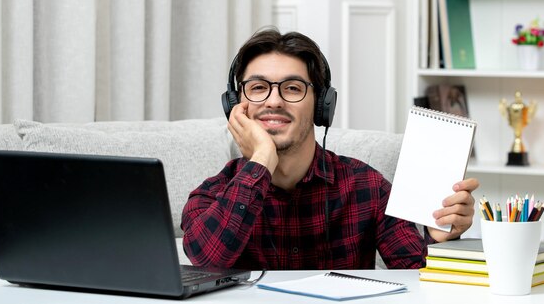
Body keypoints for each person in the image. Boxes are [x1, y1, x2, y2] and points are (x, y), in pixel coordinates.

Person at [181, 27, 479, 270]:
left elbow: (418, 280)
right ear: (236, 104)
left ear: (323, 105)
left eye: (293, 88)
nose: (273, 101)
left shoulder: (368, 187)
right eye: (258, 88)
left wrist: (439, 239)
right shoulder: (211, 196)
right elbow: (207, 260)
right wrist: (261, 159)